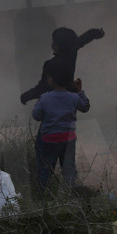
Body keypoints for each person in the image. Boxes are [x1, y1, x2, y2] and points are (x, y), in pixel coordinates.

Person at [31, 58, 90, 195]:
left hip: (48, 140)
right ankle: (69, 196)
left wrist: (39, 103)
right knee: (69, 170)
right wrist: (80, 92)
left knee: (45, 169)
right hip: (68, 140)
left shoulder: (45, 98)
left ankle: (41, 197)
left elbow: (36, 116)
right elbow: (85, 107)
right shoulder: (74, 97)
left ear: (50, 79)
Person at [20, 27, 104, 105]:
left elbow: (42, 87)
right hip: (70, 99)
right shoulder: (71, 54)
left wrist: (26, 96)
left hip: (54, 103)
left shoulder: (49, 64)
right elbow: (82, 40)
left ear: (56, 46)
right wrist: (96, 32)